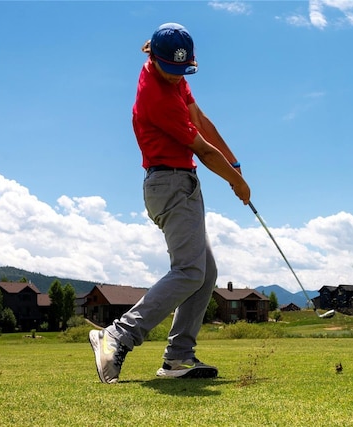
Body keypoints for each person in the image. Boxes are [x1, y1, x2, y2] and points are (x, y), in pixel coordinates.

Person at [89, 22, 250, 384]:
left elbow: (200, 118)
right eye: (172, 70)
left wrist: (235, 161)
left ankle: (178, 358)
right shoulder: (157, 98)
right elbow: (203, 151)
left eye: (184, 70)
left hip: (180, 183)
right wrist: (237, 183)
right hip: (170, 183)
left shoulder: (170, 76)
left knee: (205, 272)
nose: (178, 77)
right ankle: (117, 335)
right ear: (154, 58)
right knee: (189, 271)